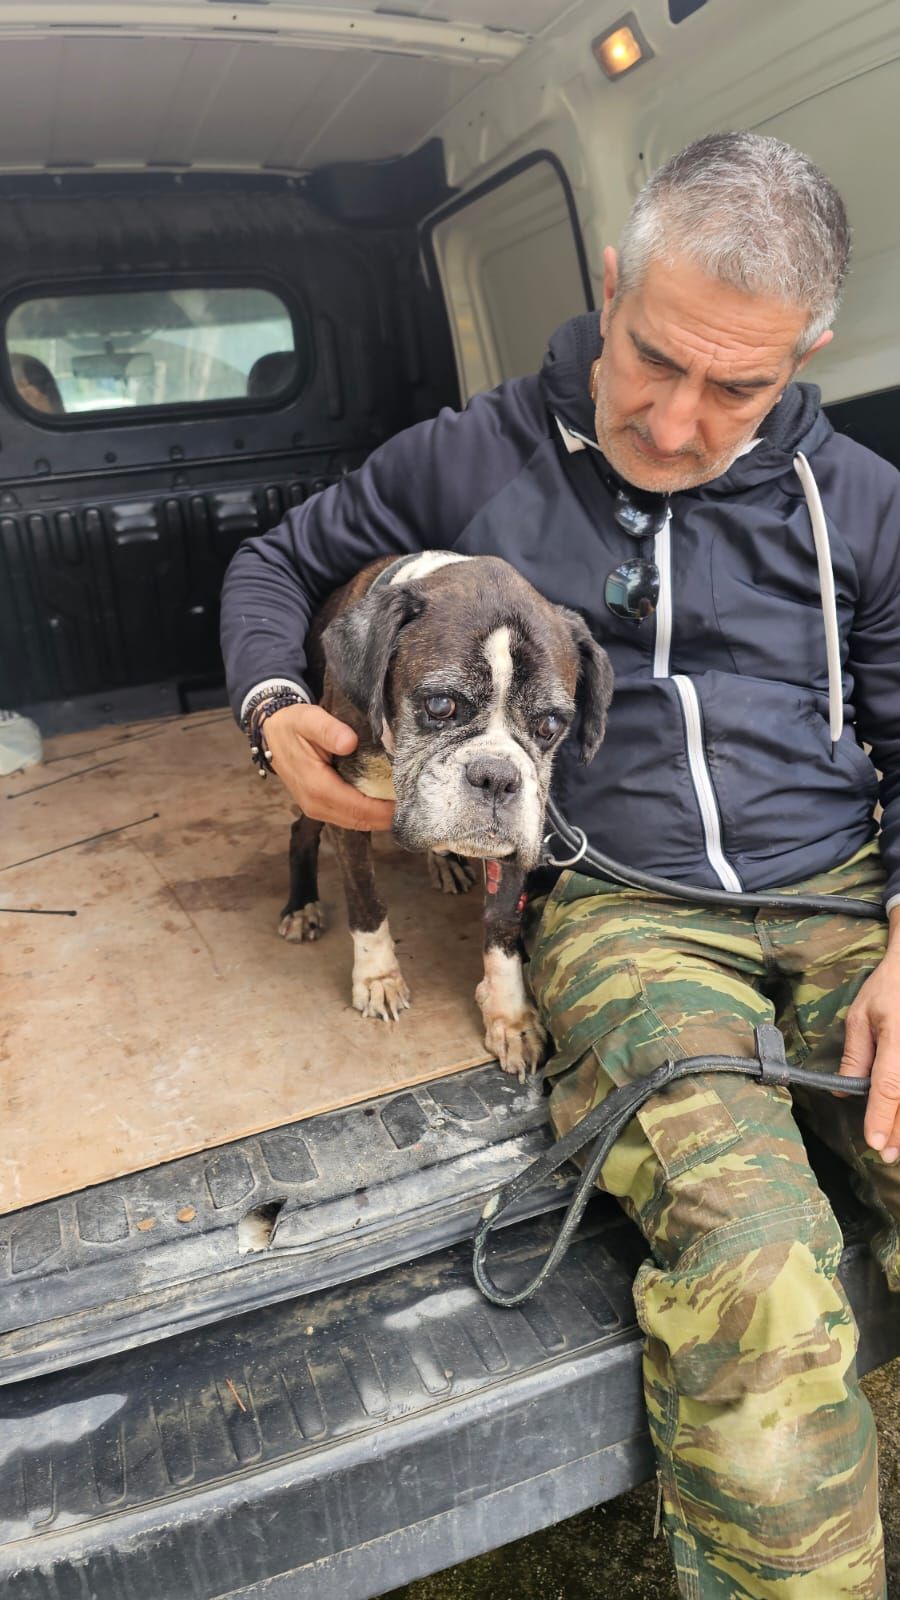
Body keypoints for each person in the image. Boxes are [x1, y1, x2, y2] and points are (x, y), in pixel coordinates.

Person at [221, 131, 900, 1597]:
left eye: (739, 387)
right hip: (626, 913)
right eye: (654, 358)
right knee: (760, 1266)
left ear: (807, 355)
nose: (677, 421)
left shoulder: (861, 500)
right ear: (610, 285)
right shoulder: (471, 455)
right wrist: (275, 709)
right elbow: (274, 565)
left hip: (850, 889)